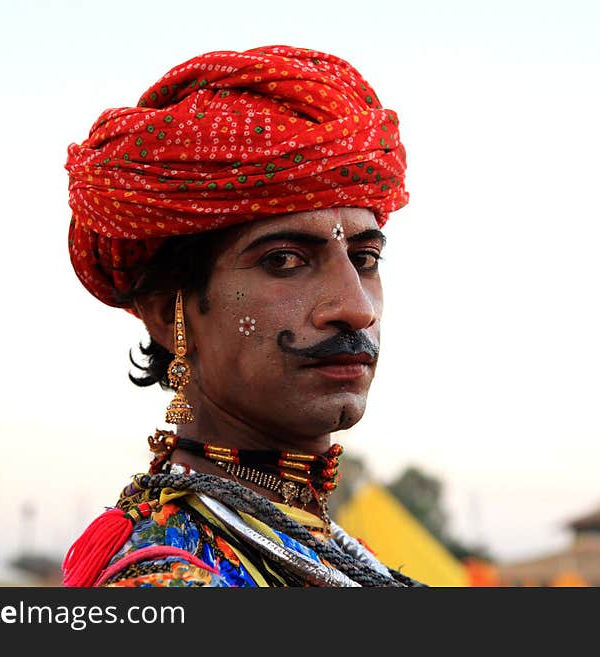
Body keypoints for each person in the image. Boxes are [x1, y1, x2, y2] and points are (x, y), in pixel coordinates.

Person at [62, 44, 422, 587]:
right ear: (169, 315)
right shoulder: (168, 581)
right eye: (284, 260)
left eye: (365, 259)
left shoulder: (327, 550)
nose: (355, 307)